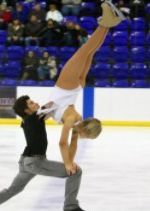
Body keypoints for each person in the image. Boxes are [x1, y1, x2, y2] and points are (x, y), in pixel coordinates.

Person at [0, 95, 90, 211]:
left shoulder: (29, 120)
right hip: (35, 162)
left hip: (26, 162)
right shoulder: (34, 117)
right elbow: (52, 105)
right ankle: (70, 206)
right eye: (31, 103)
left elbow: (49, 111)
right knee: (75, 172)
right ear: (26, 110)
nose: (35, 103)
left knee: (11, 190)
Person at [38, 1, 125, 175]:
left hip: (76, 87)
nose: (87, 139)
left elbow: (70, 145)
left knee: (89, 51)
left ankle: (108, 23)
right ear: (86, 131)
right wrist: (68, 163)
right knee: (86, 50)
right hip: (66, 86)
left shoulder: (76, 123)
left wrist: (69, 163)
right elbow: (64, 143)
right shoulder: (72, 121)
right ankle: (106, 22)